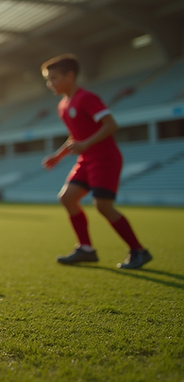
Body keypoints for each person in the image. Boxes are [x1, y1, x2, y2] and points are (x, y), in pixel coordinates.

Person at [41, 54, 151, 269]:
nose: (49, 83)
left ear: (70, 76)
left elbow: (111, 125)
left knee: (103, 206)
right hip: (87, 159)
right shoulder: (63, 105)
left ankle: (139, 250)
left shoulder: (86, 98)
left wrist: (86, 144)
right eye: (48, 79)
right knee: (67, 198)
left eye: (53, 78)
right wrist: (58, 156)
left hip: (105, 158)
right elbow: (76, 136)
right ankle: (86, 249)